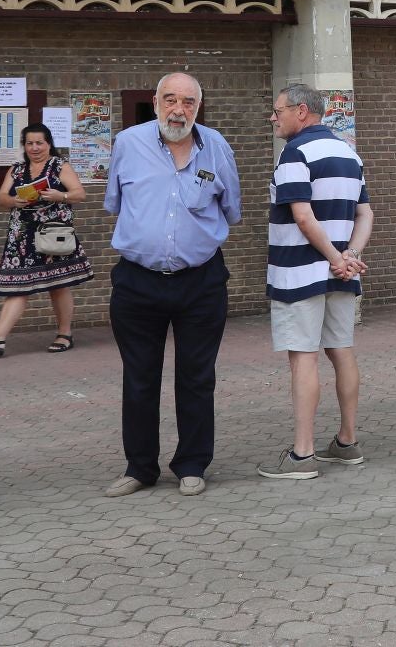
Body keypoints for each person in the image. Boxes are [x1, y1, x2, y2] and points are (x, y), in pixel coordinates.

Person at [102, 72, 242, 498]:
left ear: (198, 107)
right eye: (170, 100)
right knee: (139, 378)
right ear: (155, 102)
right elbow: (115, 202)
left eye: (188, 102)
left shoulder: (217, 148)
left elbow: (231, 209)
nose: (178, 110)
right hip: (137, 281)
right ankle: (140, 467)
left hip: (200, 281)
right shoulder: (128, 144)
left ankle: (192, 464)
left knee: (197, 378)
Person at [259, 84, 375, 481]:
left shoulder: (295, 153)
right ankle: (347, 441)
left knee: (303, 357)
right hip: (340, 274)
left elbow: (304, 217)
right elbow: (365, 214)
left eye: (278, 111)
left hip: (299, 272)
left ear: (301, 111)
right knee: (341, 350)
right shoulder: (348, 152)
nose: (274, 118)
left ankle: (302, 454)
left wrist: (333, 258)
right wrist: (349, 258)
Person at [0, 123, 92, 357]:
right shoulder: (16, 169)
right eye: (29, 143)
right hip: (22, 236)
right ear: (24, 145)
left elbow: (80, 193)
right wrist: (15, 201)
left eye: (39, 143)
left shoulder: (59, 165)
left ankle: (64, 334)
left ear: (48, 144)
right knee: (17, 286)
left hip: (52, 233)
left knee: (59, 284)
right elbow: (2, 197)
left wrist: (60, 195)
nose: (34, 148)